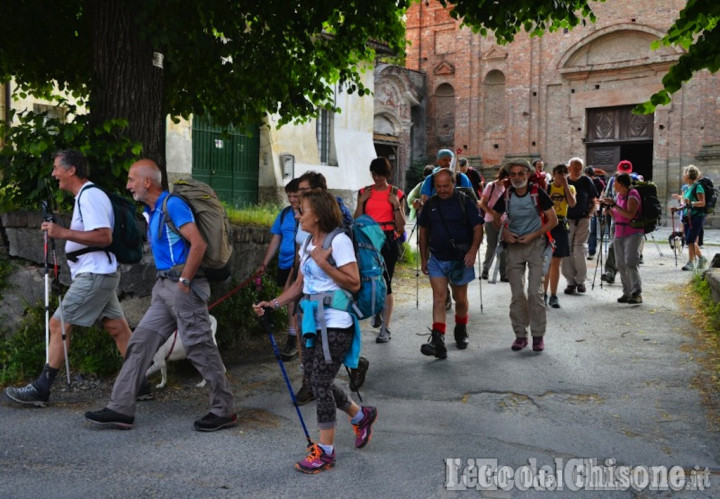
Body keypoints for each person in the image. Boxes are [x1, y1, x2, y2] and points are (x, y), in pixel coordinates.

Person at [84, 159, 236, 431]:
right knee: (139, 343)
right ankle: (120, 409)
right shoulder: (153, 211)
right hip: (164, 288)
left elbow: (198, 243)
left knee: (199, 347)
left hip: (182, 286)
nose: (128, 185)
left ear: (147, 182)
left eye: (132, 180)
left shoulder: (173, 205)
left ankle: (224, 410)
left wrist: (185, 281)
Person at [253, 189, 377, 474]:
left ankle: (326, 452)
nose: (297, 214)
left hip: (336, 322)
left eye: (302, 210)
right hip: (311, 320)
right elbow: (299, 285)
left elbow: (354, 283)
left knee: (319, 383)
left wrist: (323, 263)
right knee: (313, 377)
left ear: (318, 215)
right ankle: (360, 416)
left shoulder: (340, 241)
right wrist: (271, 304)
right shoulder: (307, 241)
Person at [5, 150, 133, 407]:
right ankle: (140, 382)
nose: (53, 174)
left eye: (56, 168)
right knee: (117, 328)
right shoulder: (86, 196)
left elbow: (103, 237)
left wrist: (62, 232)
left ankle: (41, 389)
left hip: (95, 275)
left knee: (58, 324)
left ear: (71, 169)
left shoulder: (90, 196)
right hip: (99, 273)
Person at [492, 160, 557, 352]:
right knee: (517, 293)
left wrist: (534, 235)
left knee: (534, 292)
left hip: (536, 244)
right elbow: (496, 216)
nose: (517, 178)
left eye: (521, 174)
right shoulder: (507, 194)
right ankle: (520, 335)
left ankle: (538, 336)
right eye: (513, 174)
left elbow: (552, 220)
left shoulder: (538, 193)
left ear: (528, 174)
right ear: (509, 176)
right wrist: (504, 232)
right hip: (514, 246)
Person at [418, 168, 483, 358]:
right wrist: (423, 258)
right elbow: (423, 232)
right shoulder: (430, 204)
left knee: (460, 299)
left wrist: (473, 251)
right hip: (437, 258)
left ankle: (461, 328)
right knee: (439, 298)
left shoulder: (466, 203)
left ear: (454, 183)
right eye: (438, 186)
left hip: (461, 259)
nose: (442, 190)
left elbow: (478, 228)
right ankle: (438, 341)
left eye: (446, 186)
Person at [355, 157, 406, 343]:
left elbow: (401, 226)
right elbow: (357, 220)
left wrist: (396, 206)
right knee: (366, 278)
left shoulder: (396, 193)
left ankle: (385, 327)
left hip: (387, 242)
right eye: (374, 174)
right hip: (366, 242)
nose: (377, 178)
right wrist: (361, 202)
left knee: (386, 282)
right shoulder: (364, 192)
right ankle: (377, 309)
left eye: (380, 174)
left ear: (387, 174)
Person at [258, 179, 301, 360]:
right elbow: (276, 239)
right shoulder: (284, 214)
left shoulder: (306, 215)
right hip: (284, 264)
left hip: (298, 264)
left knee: (292, 299)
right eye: (289, 195)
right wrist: (265, 263)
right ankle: (295, 336)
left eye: (295, 196)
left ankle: (294, 338)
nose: (291, 199)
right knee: (290, 300)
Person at [601, 173, 643, 303]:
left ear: (622, 184)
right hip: (619, 232)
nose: (613, 185)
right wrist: (609, 210)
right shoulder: (619, 196)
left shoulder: (633, 194)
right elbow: (618, 215)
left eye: (615, 183)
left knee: (630, 261)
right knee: (620, 264)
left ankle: (636, 293)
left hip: (632, 232)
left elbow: (630, 215)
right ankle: (627, 292)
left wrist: (614, 205)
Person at [561, 157, 598, 294]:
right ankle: (570, 282)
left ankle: (581, 281)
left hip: (583, 219)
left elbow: (594, 200)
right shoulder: (563, 181)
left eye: (580, 168)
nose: (578, 170)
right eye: (575, 167)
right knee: (567, 251)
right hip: (567, 220)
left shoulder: (586, 181)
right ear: (569, 167)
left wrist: (589, 214)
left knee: (579, 249)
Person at [543, 164, 576, 308]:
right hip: (547, 225)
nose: (562, 175)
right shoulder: (547, 188)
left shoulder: (570, 188)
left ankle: (553, 295)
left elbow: (572, 203)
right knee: (546, 262)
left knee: (556, 262)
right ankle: (543, 294)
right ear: (553, 174)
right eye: (559, 173)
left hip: (561, 225)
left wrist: (566, 186)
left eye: (564, 173)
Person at [479, 166, 509, 281]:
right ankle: (485, 270)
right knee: (491, 246)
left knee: (504, 248)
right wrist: (495, 215)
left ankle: (503, 273)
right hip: (491, 220)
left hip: (505, 222)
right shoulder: (491, 186)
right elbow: (483, 203)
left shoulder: (508, 189)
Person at [678, 165, 707, 271]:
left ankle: (690, 263)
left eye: (684, 173)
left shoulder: (698, 186)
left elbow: (702, 203)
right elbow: (686, 204)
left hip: (697, 216)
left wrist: (692, 203)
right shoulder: (687, 188)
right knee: (689, 239)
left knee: (690, 239)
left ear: (688, 175)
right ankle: (701, 258)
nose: (683, 175)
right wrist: (677, 209)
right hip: (687, 216)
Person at [584, 166, 606, 260]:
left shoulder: (597, 182)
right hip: (589, 208)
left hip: (595, 208)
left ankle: (591, 251)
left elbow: (600, 195)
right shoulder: (586, 181)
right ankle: (590, 249)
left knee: (592, 230)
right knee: (590, 230)